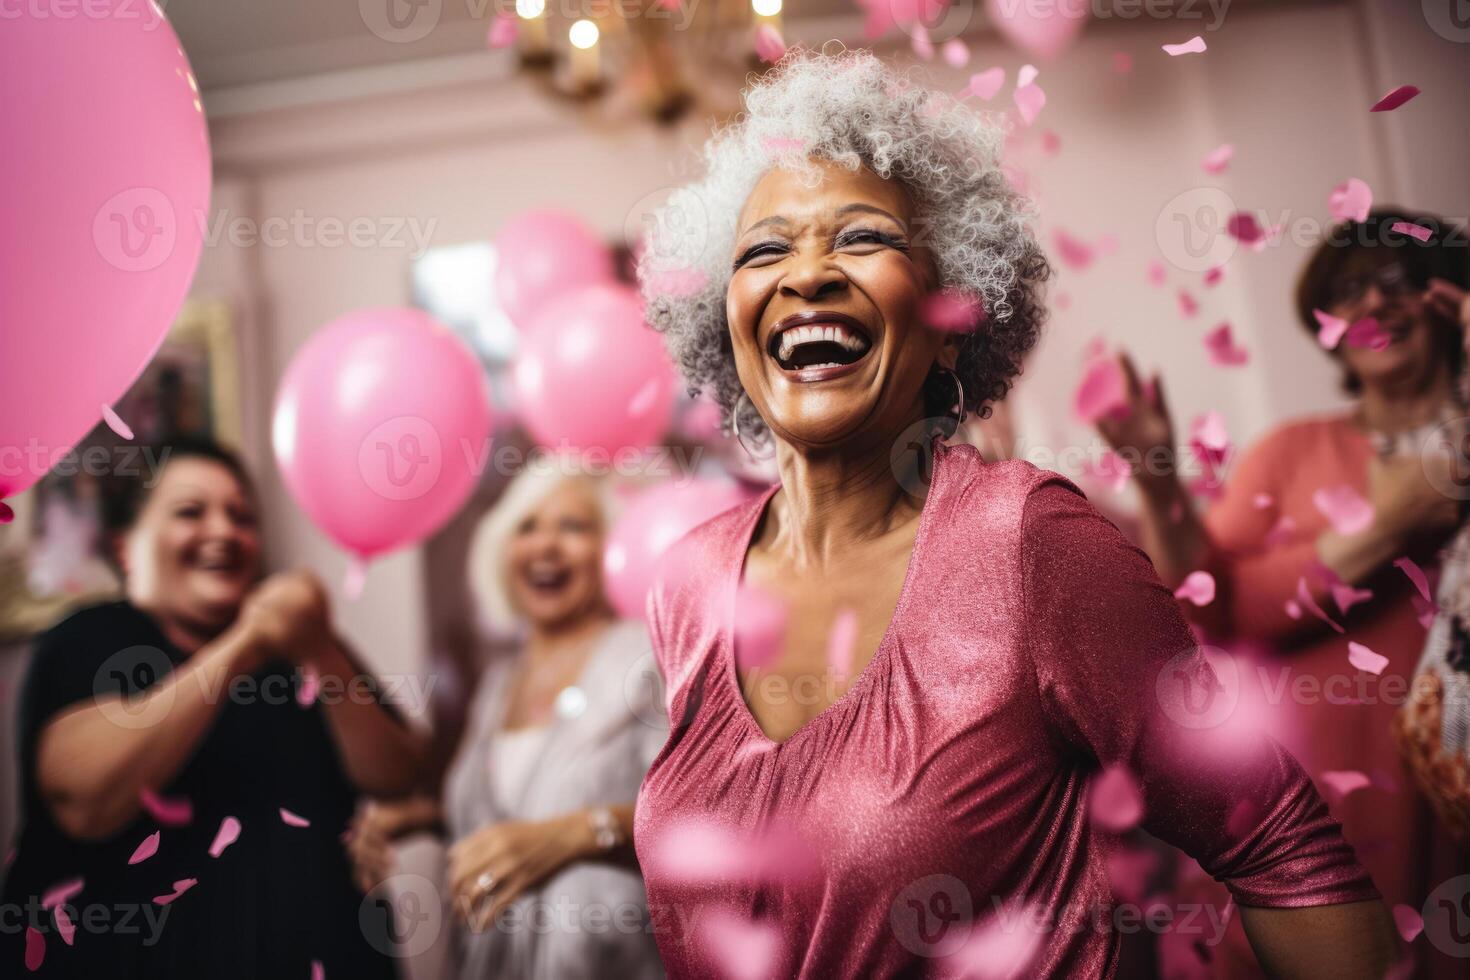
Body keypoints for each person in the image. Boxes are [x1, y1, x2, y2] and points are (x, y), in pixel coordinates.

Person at [630, 47, 1398, 978]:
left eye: (862, 238)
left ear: (952, 319)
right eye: (764, 249)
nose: (808, 275)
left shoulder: (1030, 545)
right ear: (728, 324)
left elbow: (1284, 851)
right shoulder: (689, 580)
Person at [1097, 210, 1470, 976]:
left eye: (1400, 280)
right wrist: (1158, 473)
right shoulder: (1294, 450)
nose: (1374, 304)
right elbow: (1210, 606)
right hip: (1316, 810)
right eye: (1349, 292)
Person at [0, 438, 428, 978]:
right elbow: (83, 798)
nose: (224, 531)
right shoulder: (89, 637)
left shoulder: (302, 650)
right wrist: (244, 643)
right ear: (127, 547)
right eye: (190, 512)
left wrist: (319, 646)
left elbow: (400, 775)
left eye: (241, 516)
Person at [349, 466, 667, 979]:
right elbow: (513, 811)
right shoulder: (499, 684)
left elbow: (699, 816)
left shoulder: (646, 660)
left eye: (573, 527)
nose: (545, 546)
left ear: (610, 549)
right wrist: (418, 818)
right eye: (527, 527)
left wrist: (573, 835)